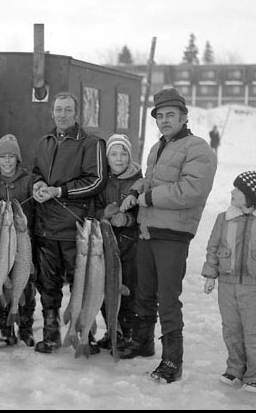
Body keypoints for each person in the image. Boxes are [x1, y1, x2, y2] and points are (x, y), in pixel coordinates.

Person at [119, 88, 217, 383]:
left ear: (184, 117)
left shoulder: (198, 148)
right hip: (147, 230)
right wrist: (137, 189)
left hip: (173, 234)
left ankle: (173, 359)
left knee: (167, 298)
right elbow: (149, 180)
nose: (164, 120)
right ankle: (143, 342)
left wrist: (147, 198)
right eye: (159, 116)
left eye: (170, 115)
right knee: (144, 292)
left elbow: (191, 191)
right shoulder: (156, 147)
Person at [31, 91, 108, 354]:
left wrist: (60, 191)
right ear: (52, 112)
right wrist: (38, 184)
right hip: (46, 227)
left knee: (82, 286)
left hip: (76, 229)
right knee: (48, 285)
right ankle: (51, 333)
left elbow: (96, 180)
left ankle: (85, 333)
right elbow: (36, 172)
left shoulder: (91, 143)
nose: (62, 114)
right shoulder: (44, 141)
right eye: (58, 109)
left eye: (67, 110)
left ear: (76, 114)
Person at [202, 171, 256, 393]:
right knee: (231, 329)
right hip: (227, 284)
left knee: (253, 331)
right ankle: (236, 368)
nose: (232, 192)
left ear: (251, 196)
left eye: (238, 190)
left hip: (254, 286)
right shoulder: (224, 218)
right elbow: (213, 247)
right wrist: (211, 275)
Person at [0, 134, 37, 347]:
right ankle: (6, 329)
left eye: (11, 156)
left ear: (18, 159)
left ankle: (25, 328)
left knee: (26, 286)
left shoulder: (28, 180)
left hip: (23, 240)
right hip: (1, 243)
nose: (7, 161)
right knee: (2, 281)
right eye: (2, 157)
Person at [94, 133, 142, 352]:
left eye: (123, 153)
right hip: (105, 244)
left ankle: (127, 333)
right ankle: (112, 330)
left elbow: (145, 213)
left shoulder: (138, 181)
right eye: (114, 153)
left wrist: (128, 219)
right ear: (107, 157)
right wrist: (103, 212)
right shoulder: (100, 179)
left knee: (127, 289)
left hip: (129, 245)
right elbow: (91, 208)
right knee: (106, 289)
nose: (119, 158)